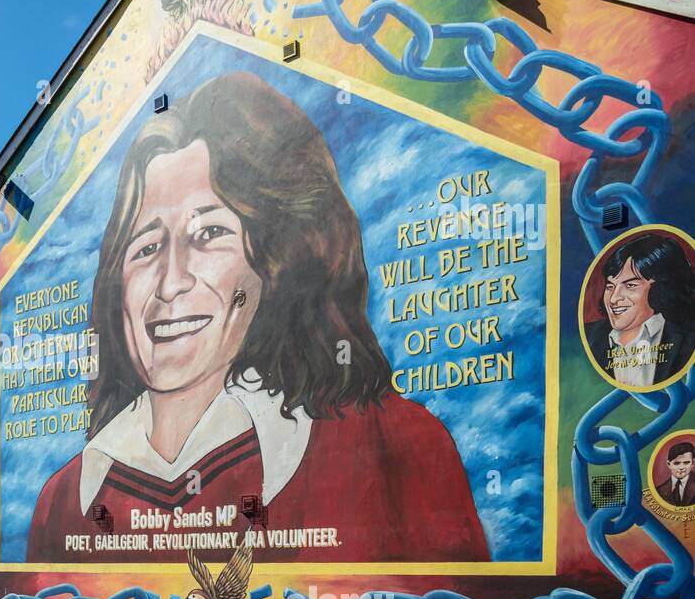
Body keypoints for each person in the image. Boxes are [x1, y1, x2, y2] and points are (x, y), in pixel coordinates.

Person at [28, 71, 488, 565]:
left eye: (208, 235)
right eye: (147, 247)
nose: (169, 282)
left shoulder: (397, 450)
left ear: (275, 260)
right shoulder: (65, 503)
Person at [584, 233, 695, 388]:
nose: (614, 299)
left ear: (661, 287)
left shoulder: (688, 335)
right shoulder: (590, 337)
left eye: (630, 286)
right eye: (610, 287)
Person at [657, 441, 695, 507]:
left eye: (686, 463)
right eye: (676, 463)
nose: (681, 467)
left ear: (693, 463)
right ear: (669, 464)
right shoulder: (660, 490)